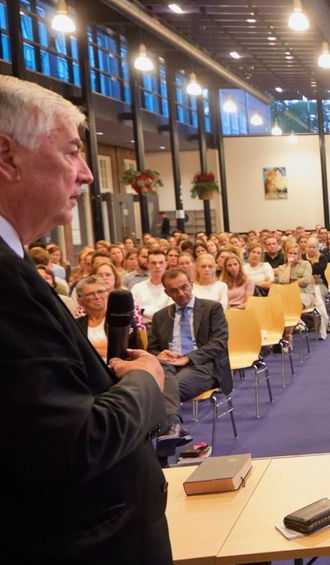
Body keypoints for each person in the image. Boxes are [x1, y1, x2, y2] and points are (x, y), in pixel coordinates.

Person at [0, 75, 171, 562]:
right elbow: (75, 444)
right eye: (72, 152)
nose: (87, 174)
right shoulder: (7, 283)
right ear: (7, 156)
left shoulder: (16, 269)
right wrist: (146, 382)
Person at [148, 268, 231, 454]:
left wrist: (187, 358)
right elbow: (152, 349)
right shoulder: (160, 316)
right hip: (169, 365)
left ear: (192, 284)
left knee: (158, 391)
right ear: (166, 293)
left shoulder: (212, 308)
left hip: (202, 365)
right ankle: (173, 428)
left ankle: (172, 429)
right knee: (160, 378)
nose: (181, 294)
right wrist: (160, 354)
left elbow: (219, 343)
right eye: (174, 291)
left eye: (184, 287)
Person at [131, 248, 173, 323]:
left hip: (167, 327)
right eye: (153, 263)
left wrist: (145, 313)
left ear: (166, 264)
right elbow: (135, 313)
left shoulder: (173, 287)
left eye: (161, 263)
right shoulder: (137, 288)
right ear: (147, 265)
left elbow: (171, 313)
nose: (157, 266)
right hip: (143, 329)